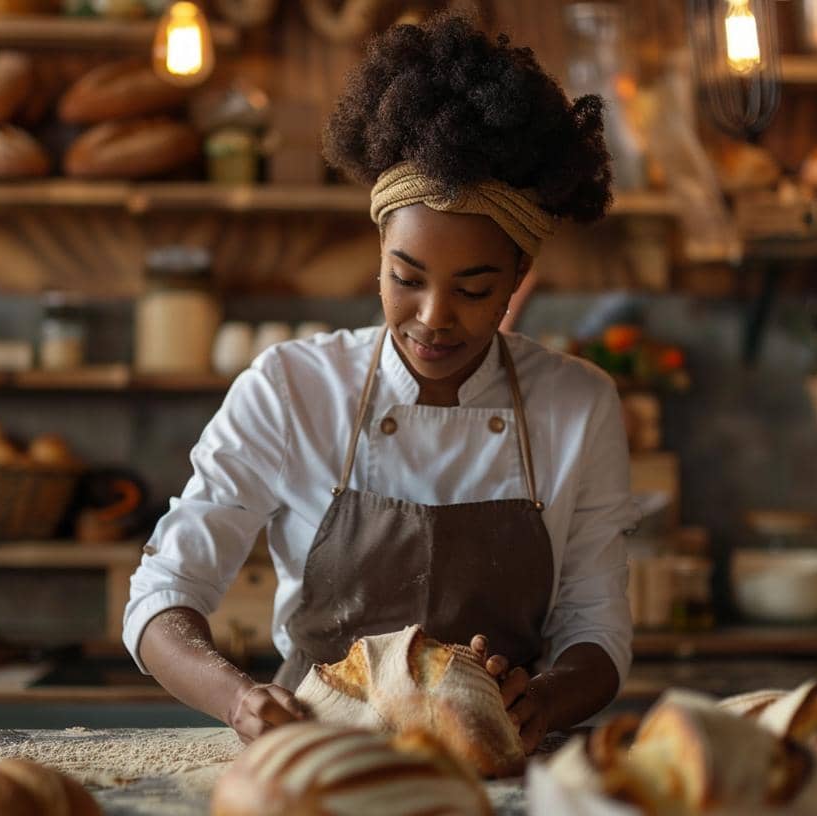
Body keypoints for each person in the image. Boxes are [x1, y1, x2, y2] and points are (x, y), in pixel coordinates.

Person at [125, 14, 638, 753]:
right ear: (379, 253)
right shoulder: (291, 389)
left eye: (473, 287)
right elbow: (162, 592)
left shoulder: (576, 405)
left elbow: (596, 628)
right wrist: (240, 699)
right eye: (406, 278)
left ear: (518, 281)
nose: (433, 318)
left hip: (496, 766)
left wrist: (546, 702)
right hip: (318, 755)